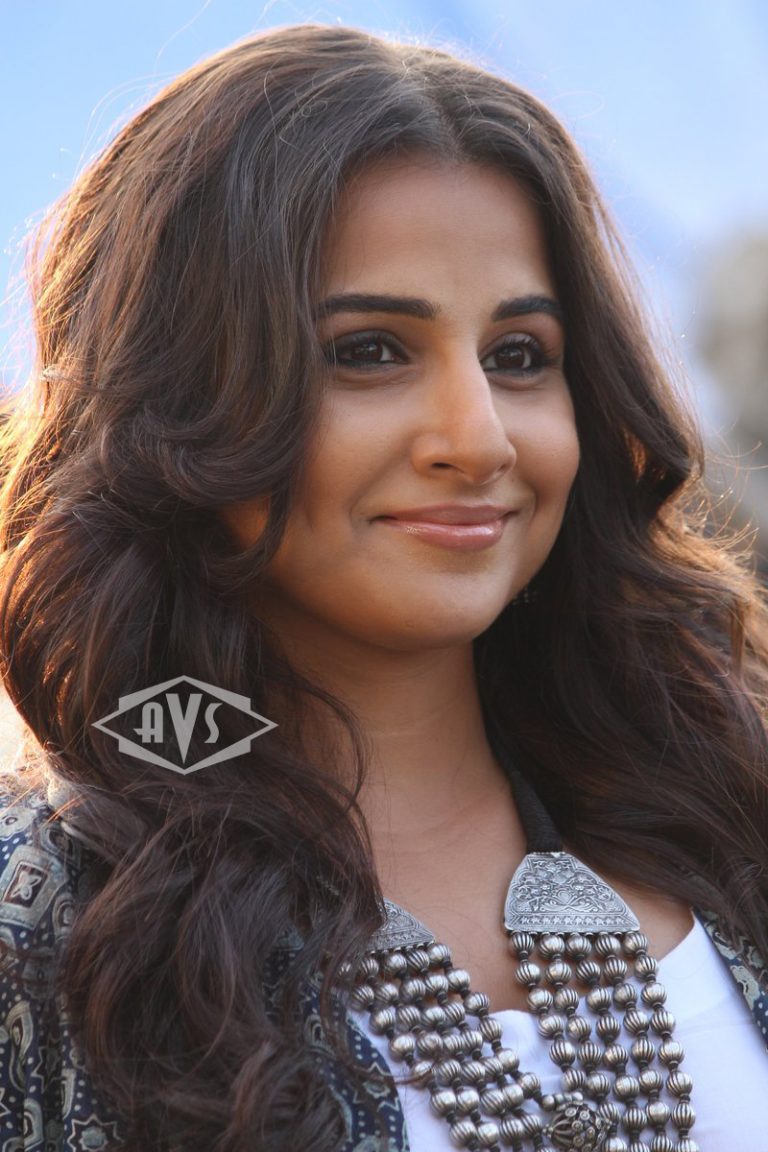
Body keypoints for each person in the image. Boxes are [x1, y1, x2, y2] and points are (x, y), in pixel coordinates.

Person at [0, 23, 766, 1152]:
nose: (479, 437)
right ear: (178, 406)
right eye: (369, 351)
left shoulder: (727, 808)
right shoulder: (58, 912)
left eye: (519, 355)